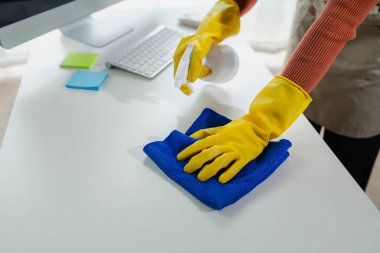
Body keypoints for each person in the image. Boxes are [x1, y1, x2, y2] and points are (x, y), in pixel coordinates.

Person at [173, 0, 380, 188]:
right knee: (297, 159)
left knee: (341, 182)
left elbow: (342, 14)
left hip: (365, 60)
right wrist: (223, 14)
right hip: (312, 30)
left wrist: (259, 125)